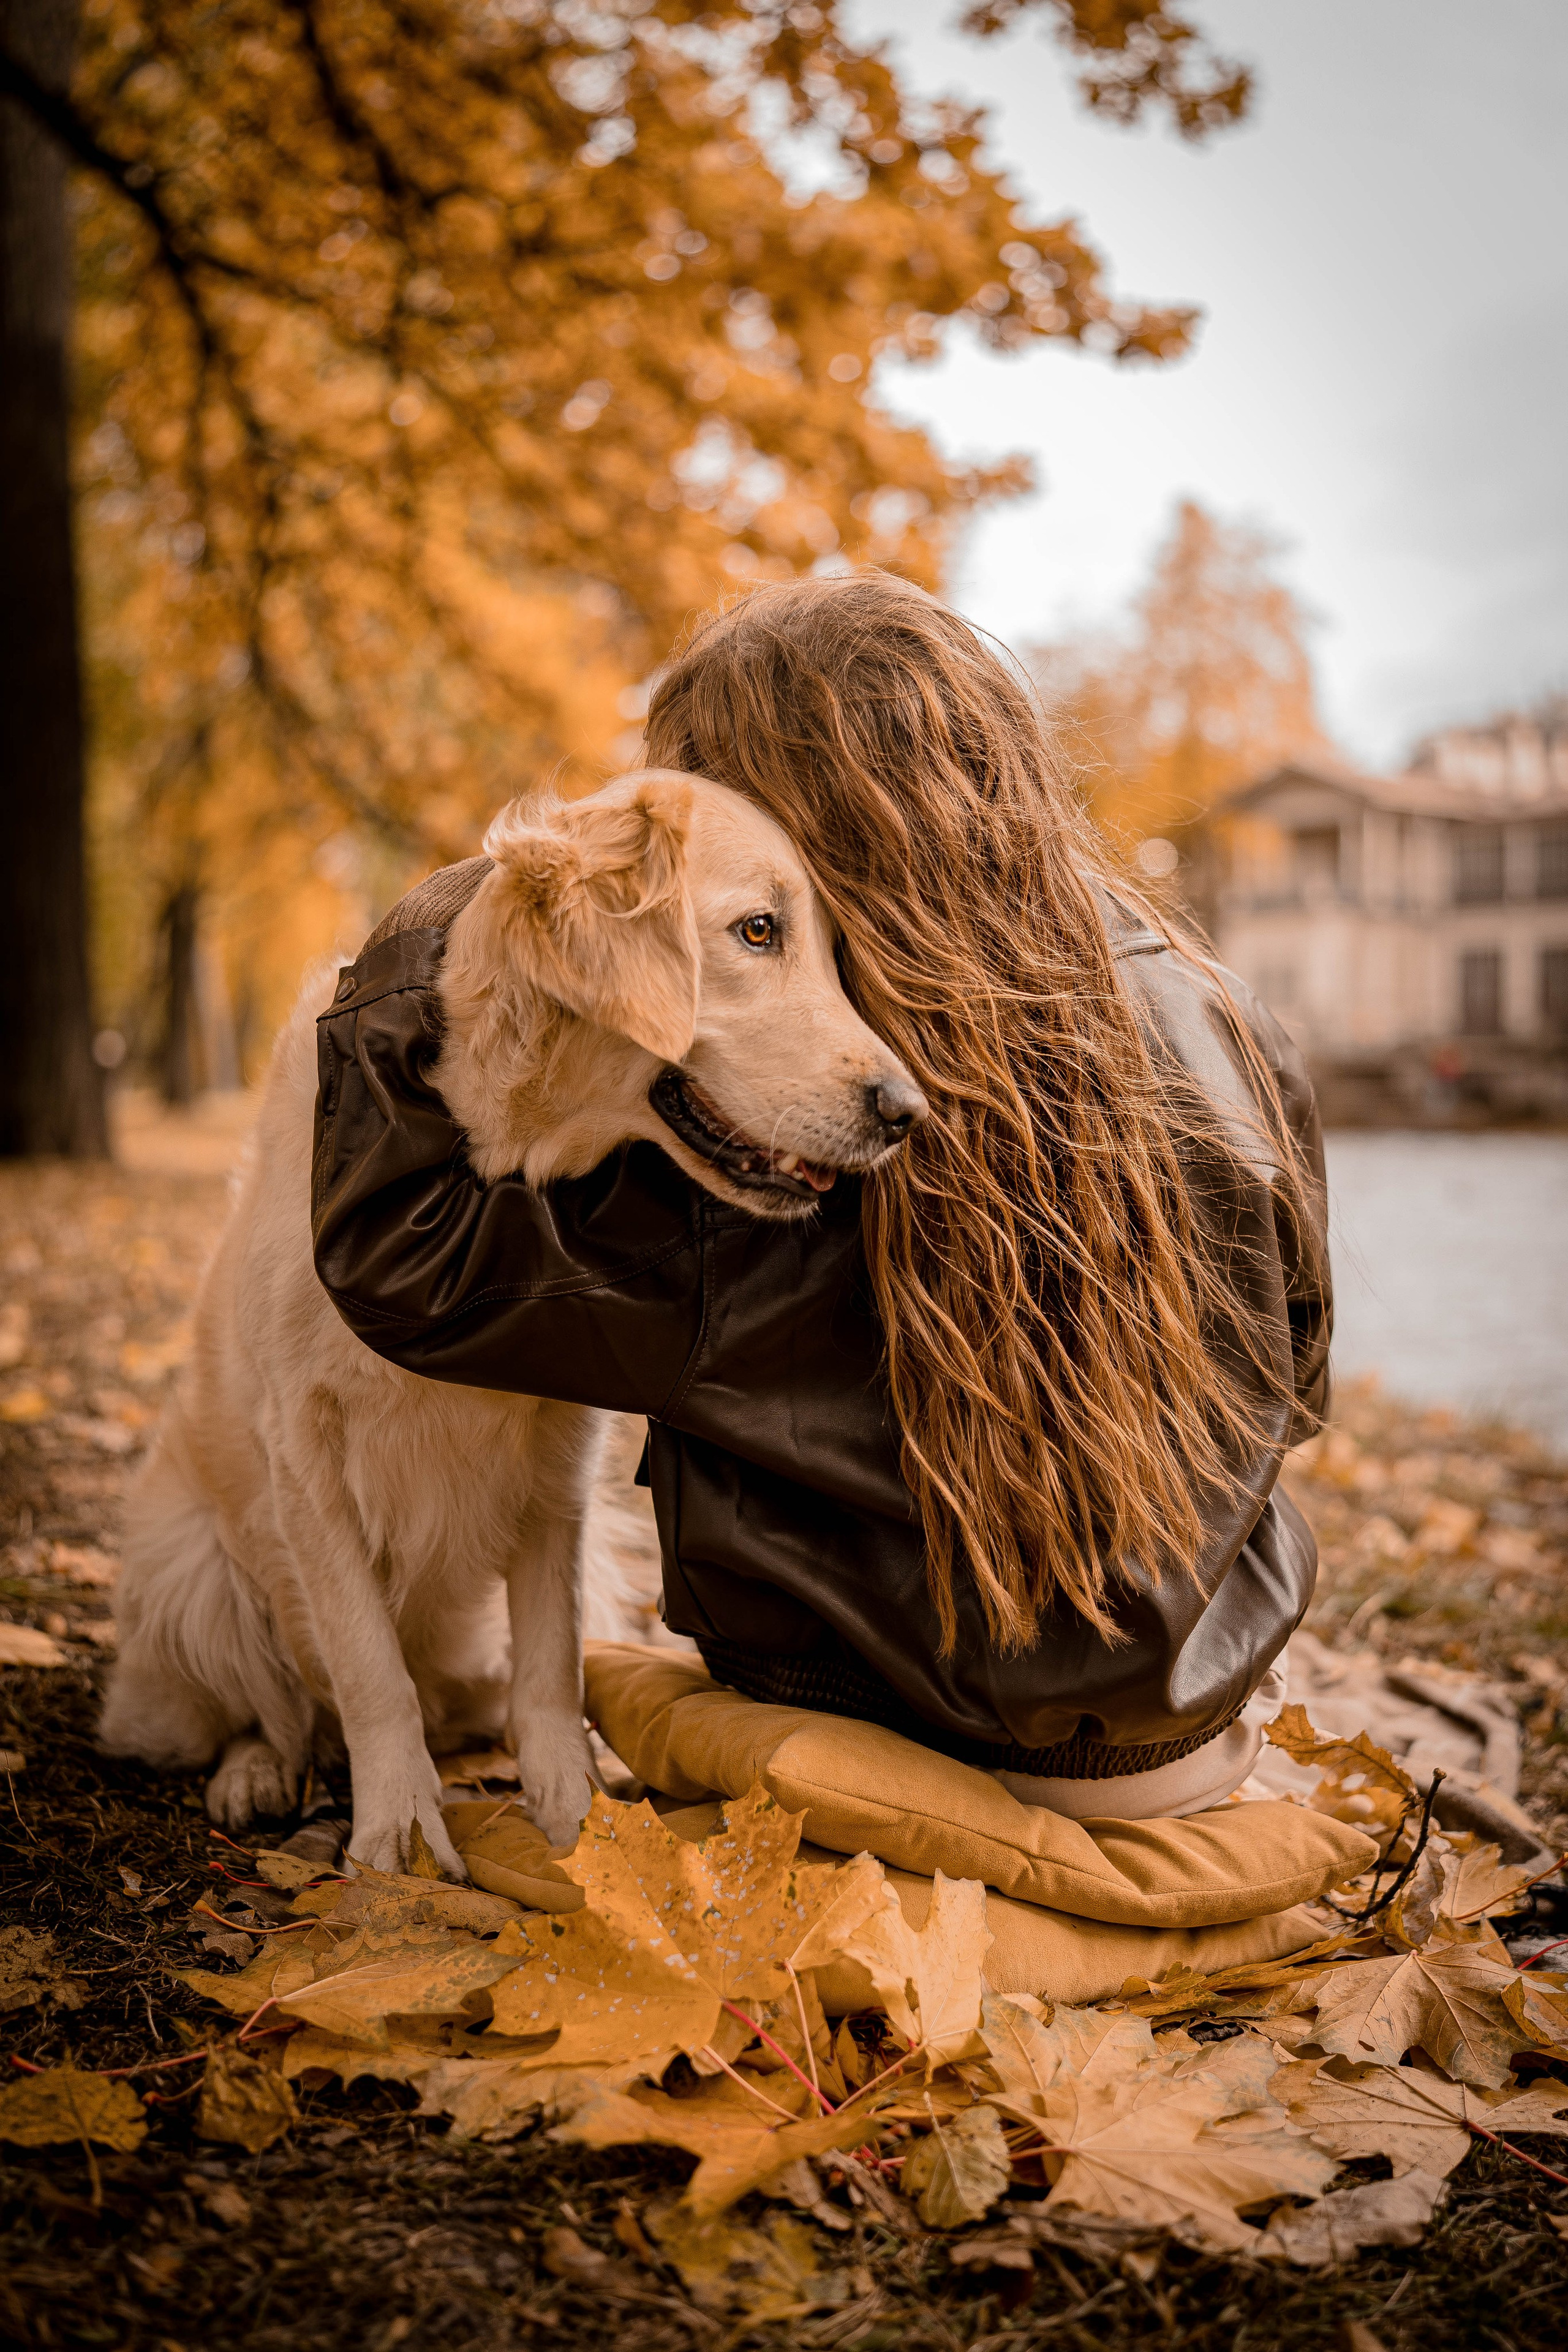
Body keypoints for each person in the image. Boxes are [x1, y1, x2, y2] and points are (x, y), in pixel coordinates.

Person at [312, 572, 1330, 1823]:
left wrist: (471, 917)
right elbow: (1302, 1381)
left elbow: (396, 1264)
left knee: (640, 1686)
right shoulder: (1221, 1006)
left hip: (854, 1731)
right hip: (1186, 1735)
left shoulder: (785, 1135)